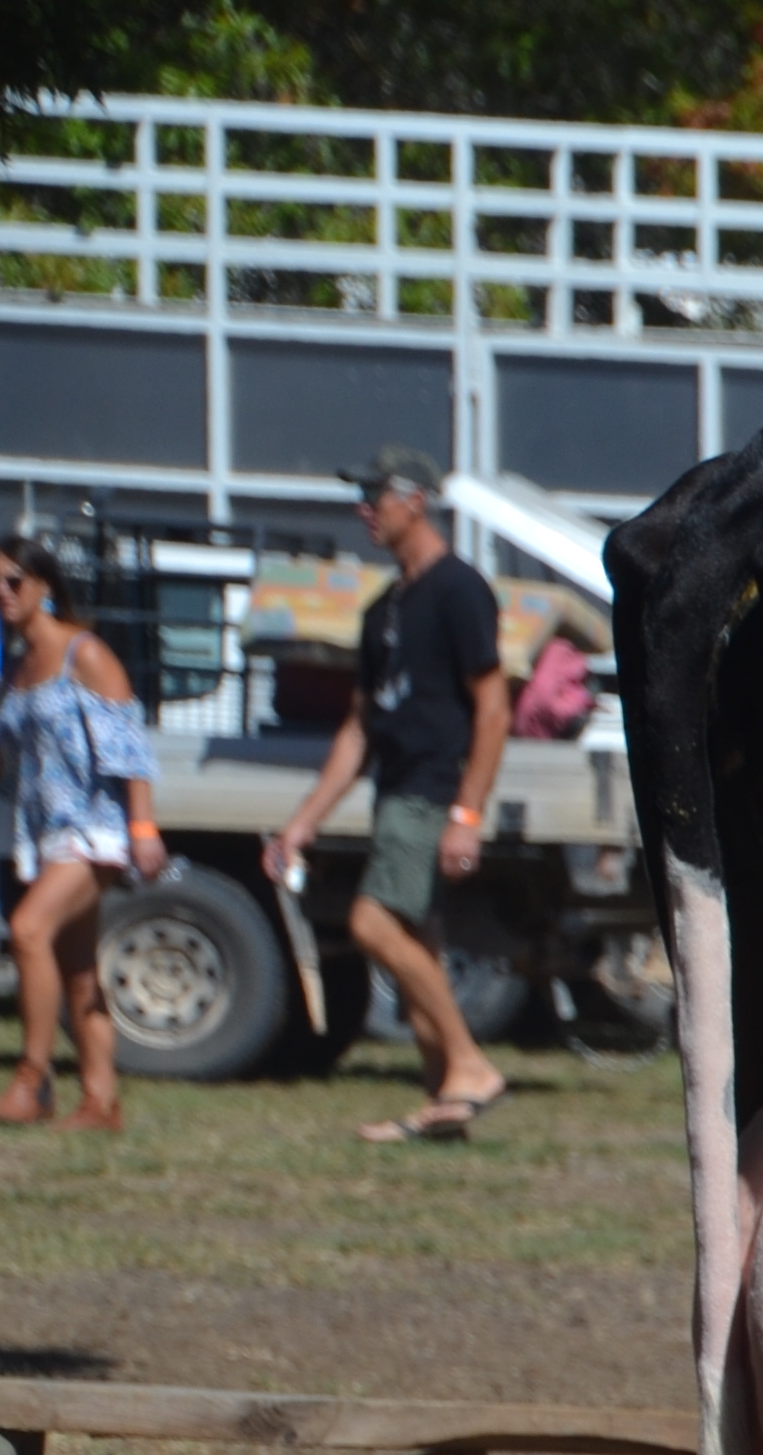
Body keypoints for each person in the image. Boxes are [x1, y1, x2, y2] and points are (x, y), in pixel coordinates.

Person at [262, 445, 512, 1144]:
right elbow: (358, 729)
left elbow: (494, 710)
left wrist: (467, 813)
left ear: (416, 501)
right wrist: (301, 825)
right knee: (417, 950)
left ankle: (469, 1064)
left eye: (375, 495)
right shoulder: (382, 611)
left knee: (373, 925)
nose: (363, 509)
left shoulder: (459, 590)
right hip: (394, 789)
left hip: (433, 790)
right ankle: (445, 1103)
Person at [0, 534, 166, 1133]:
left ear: (44, 586)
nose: (2, 592)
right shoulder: (19, 667)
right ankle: (100, 1103)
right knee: (78, 969)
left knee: (28, 929)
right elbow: (12, 763)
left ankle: (32, 1080)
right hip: (46, 832)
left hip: (95, 830)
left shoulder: (83, 653)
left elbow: (130, 749)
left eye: (14, 580)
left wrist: (143, 828)